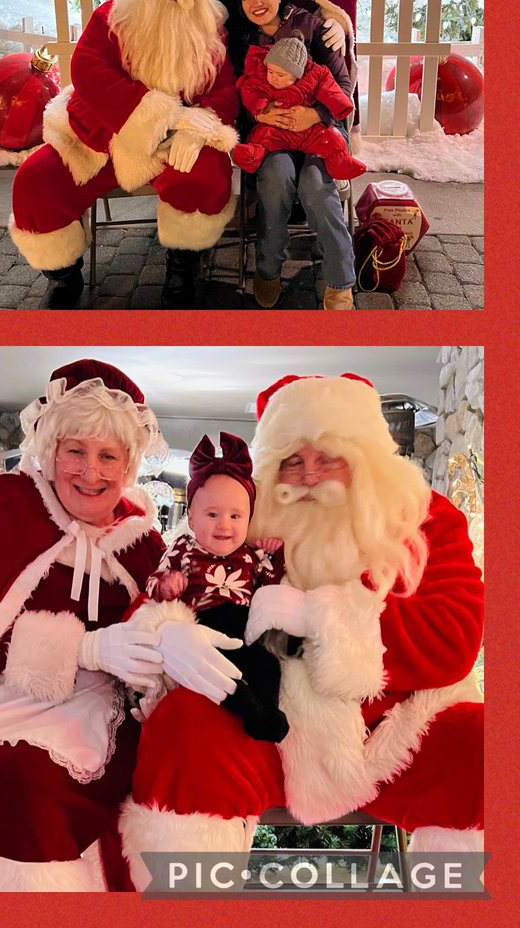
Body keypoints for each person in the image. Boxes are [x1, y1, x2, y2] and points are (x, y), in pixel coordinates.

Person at [121, 373, 484, 890]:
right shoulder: (244, 524)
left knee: (487, 749)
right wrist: (168, 632)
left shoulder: (422, 519)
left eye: (329, 454)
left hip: (395, 733)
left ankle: (466, 905)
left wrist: (320, 619)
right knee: (185, 726)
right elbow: (165, 590)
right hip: (271, 731)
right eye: (291, 459)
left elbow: (454, 635)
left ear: (366, 456)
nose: (309, 473)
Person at [0, 360, 244, 891]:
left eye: (108, 456)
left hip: (103, 713)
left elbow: (177, 609)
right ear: (50, 450)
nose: (91, 471)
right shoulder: (0, 512)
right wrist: (84, 648)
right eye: (75, 451)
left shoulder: (146, 542)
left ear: (128, 465)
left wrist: (167, 630)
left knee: (42, 787)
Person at [10, 0, 239, 310]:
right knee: (35, 182)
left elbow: (225, 92)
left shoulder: (211, 35)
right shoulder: (112, 17)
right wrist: (160, 115)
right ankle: (63, 275)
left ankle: (183, 267)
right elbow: (88, 71)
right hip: (99, 134)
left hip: (170, 143)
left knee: (207, 176)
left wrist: (197, 127)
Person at [134, 432, 289, 743]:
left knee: (267, 664)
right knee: (215, 669)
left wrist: (275, 553)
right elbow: (152, 581)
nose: (224, 525)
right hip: (202, 629)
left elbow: (271, 588)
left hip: (243, 634)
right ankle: (242, 702)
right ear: (191, 518)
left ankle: (263, 712)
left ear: (248, 520)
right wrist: (166, 586)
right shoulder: (183, 549)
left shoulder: (250, 555)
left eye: (235, 516)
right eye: (212, 515)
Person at [235, 0, 358, 310]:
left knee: (316, 185)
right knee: (274, 178)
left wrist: (315, 113)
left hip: (321, 131)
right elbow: (241, 89)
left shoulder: (312, 26)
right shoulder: (245, 38)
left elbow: (343, 87)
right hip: (273, 134)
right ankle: (268, 268)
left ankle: (339, 280)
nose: (256, 2)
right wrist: (260, 113)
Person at [234, 36, 362, 180]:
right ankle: (251, 155)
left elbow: (330, 90)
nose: (273, 77)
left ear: (297, 74)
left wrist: (340, 106)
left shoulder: (314, 76)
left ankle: (341, 162)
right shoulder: (262, 78)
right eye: (270, 71)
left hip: (309, 129)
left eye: (280, 74)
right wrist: (259, 106)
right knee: (261, 136)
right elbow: (249, 88)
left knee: (331, 138)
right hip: (277, 128)